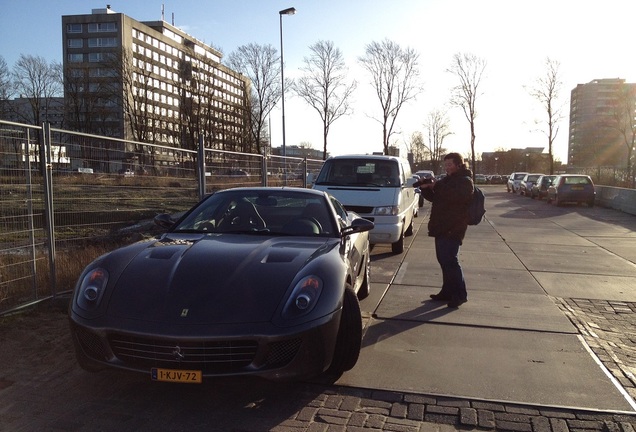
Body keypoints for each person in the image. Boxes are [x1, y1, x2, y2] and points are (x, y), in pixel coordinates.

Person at [416, 153, 474, 308]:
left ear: (459, 165)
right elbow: (437, 198)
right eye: (445, 164)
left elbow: (455, 197)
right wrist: (426, 189)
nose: (447, 167)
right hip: (442, 227)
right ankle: (447, 291)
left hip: (453, 227)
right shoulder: (447, 180)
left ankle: (460, 294)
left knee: (451, 261)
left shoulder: (465, 181)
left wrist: (437, 186)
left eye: (450, 164)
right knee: (443, 260)